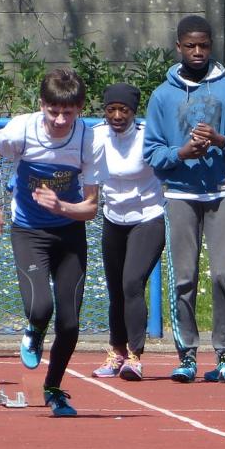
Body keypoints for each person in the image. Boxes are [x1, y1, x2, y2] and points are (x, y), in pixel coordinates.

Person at [143, 14, 225, 385]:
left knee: (223, 274)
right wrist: (182, 152)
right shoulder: (163, 95)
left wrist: (221, 141)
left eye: (204, 45)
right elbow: (152, 152)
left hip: (221, 192)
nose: (197, 52)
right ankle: (186, 354)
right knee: (184, 277)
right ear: (178, 47)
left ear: (212, 46)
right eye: (190, 45)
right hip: (180, 194)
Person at [0, 68, 100, 416]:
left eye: (68, 112)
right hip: (29, 231)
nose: (60, 120)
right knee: (40, 309)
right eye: (53, 111)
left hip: (69, 233)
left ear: (80, 108)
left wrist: (62, 206)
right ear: (41, 105)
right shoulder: (21, 129)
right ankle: (34, 330)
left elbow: (91, 208)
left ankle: (53, 388)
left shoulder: (87, 139)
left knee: (70, 323)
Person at [91, 83, 166, 382]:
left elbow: (172, 156)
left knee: (132, 282)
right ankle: (116, 351)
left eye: (124, 110)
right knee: (116, 290)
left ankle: (135, 356)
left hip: (147, 218)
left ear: (134, 112)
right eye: (111, 110)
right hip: (113, 220)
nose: (117, 116)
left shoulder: (148, 136)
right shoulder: (96, 136)